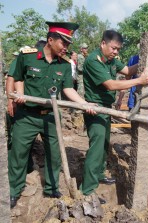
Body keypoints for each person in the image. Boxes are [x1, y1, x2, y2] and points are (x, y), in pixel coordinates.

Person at [8, 21, 96, 208]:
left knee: (54, 154)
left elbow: (68, 90)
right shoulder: (28, 57)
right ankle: (14, 191)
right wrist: (19, 94)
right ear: (50, 40)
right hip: (27, 116)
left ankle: (52, 188)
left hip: (50, 116)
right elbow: (17, 76)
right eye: (63, 43)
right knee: (18, 154)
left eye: (68, 44)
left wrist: (84, 104)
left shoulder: (64, 64)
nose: (66, 48)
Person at [81, 29, 148, 202]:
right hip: (95, 109)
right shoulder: (93, 60)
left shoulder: (111, 60)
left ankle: (98, 174)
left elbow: (127, 70)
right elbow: (112, 85)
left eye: (118, 49)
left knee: (104, 144)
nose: (115, 52)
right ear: (103, 43)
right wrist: (139, 81)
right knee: (96, 147)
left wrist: (144, 62)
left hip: (106, 109)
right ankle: (88, 189)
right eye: (113, 48)